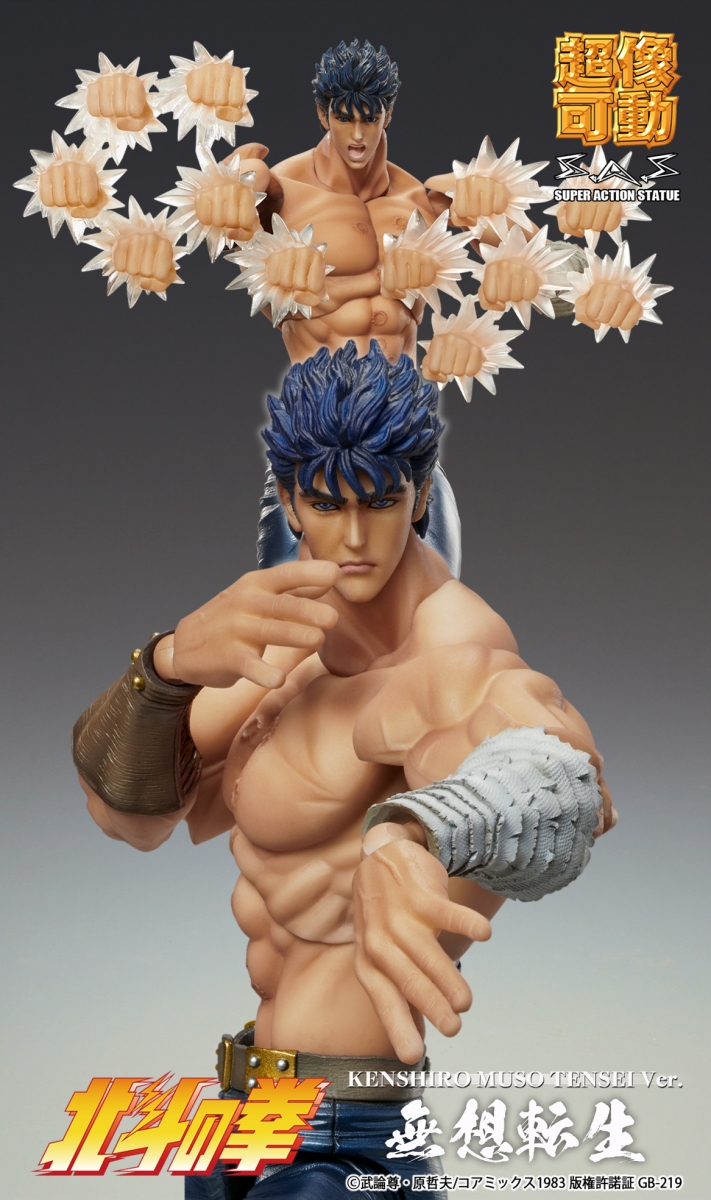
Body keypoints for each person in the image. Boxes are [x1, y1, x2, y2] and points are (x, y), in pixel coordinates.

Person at [74, 341, 615, 1197]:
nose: (354, 538)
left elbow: (565, 780)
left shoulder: (450, 645)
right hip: (241, 1115)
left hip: (348, 1133)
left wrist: (412, 832)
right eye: (327, 504)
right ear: (290, 499)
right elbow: (127, 817)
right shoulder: (288, 636)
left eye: (381, 502)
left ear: (420, 495)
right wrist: (167, 665)